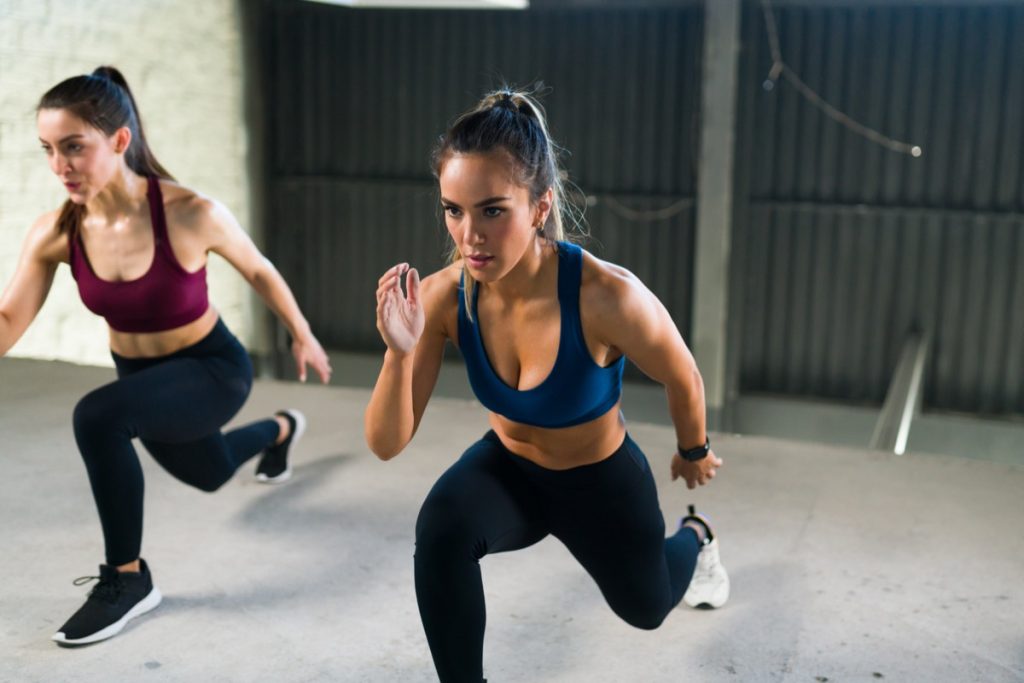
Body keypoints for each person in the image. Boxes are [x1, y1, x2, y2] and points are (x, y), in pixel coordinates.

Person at [365, 89, 729, 682]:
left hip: (600, 481)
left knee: (647, 609)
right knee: (441, 530)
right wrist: (398, 355)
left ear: (538, 207)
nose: (469, 235)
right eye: (453, 210)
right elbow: (386, 442)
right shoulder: (440, 299)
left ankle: (696, 535)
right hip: (510, 472)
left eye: (492, 210)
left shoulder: (606, 296)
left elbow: (682, 373)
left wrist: (694, 450)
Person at [0, 66, 332, 645]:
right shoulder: (55, 232)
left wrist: (301, 333)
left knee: (98, 417)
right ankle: (281, 431)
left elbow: (258, 267)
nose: (60, 166)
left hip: (212, 370)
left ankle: (127, 581)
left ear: (119, 140)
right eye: (49, 150)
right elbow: (8, 320)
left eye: (74, 147)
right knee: (208, 473)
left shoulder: (188, 211)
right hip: (143, 377)